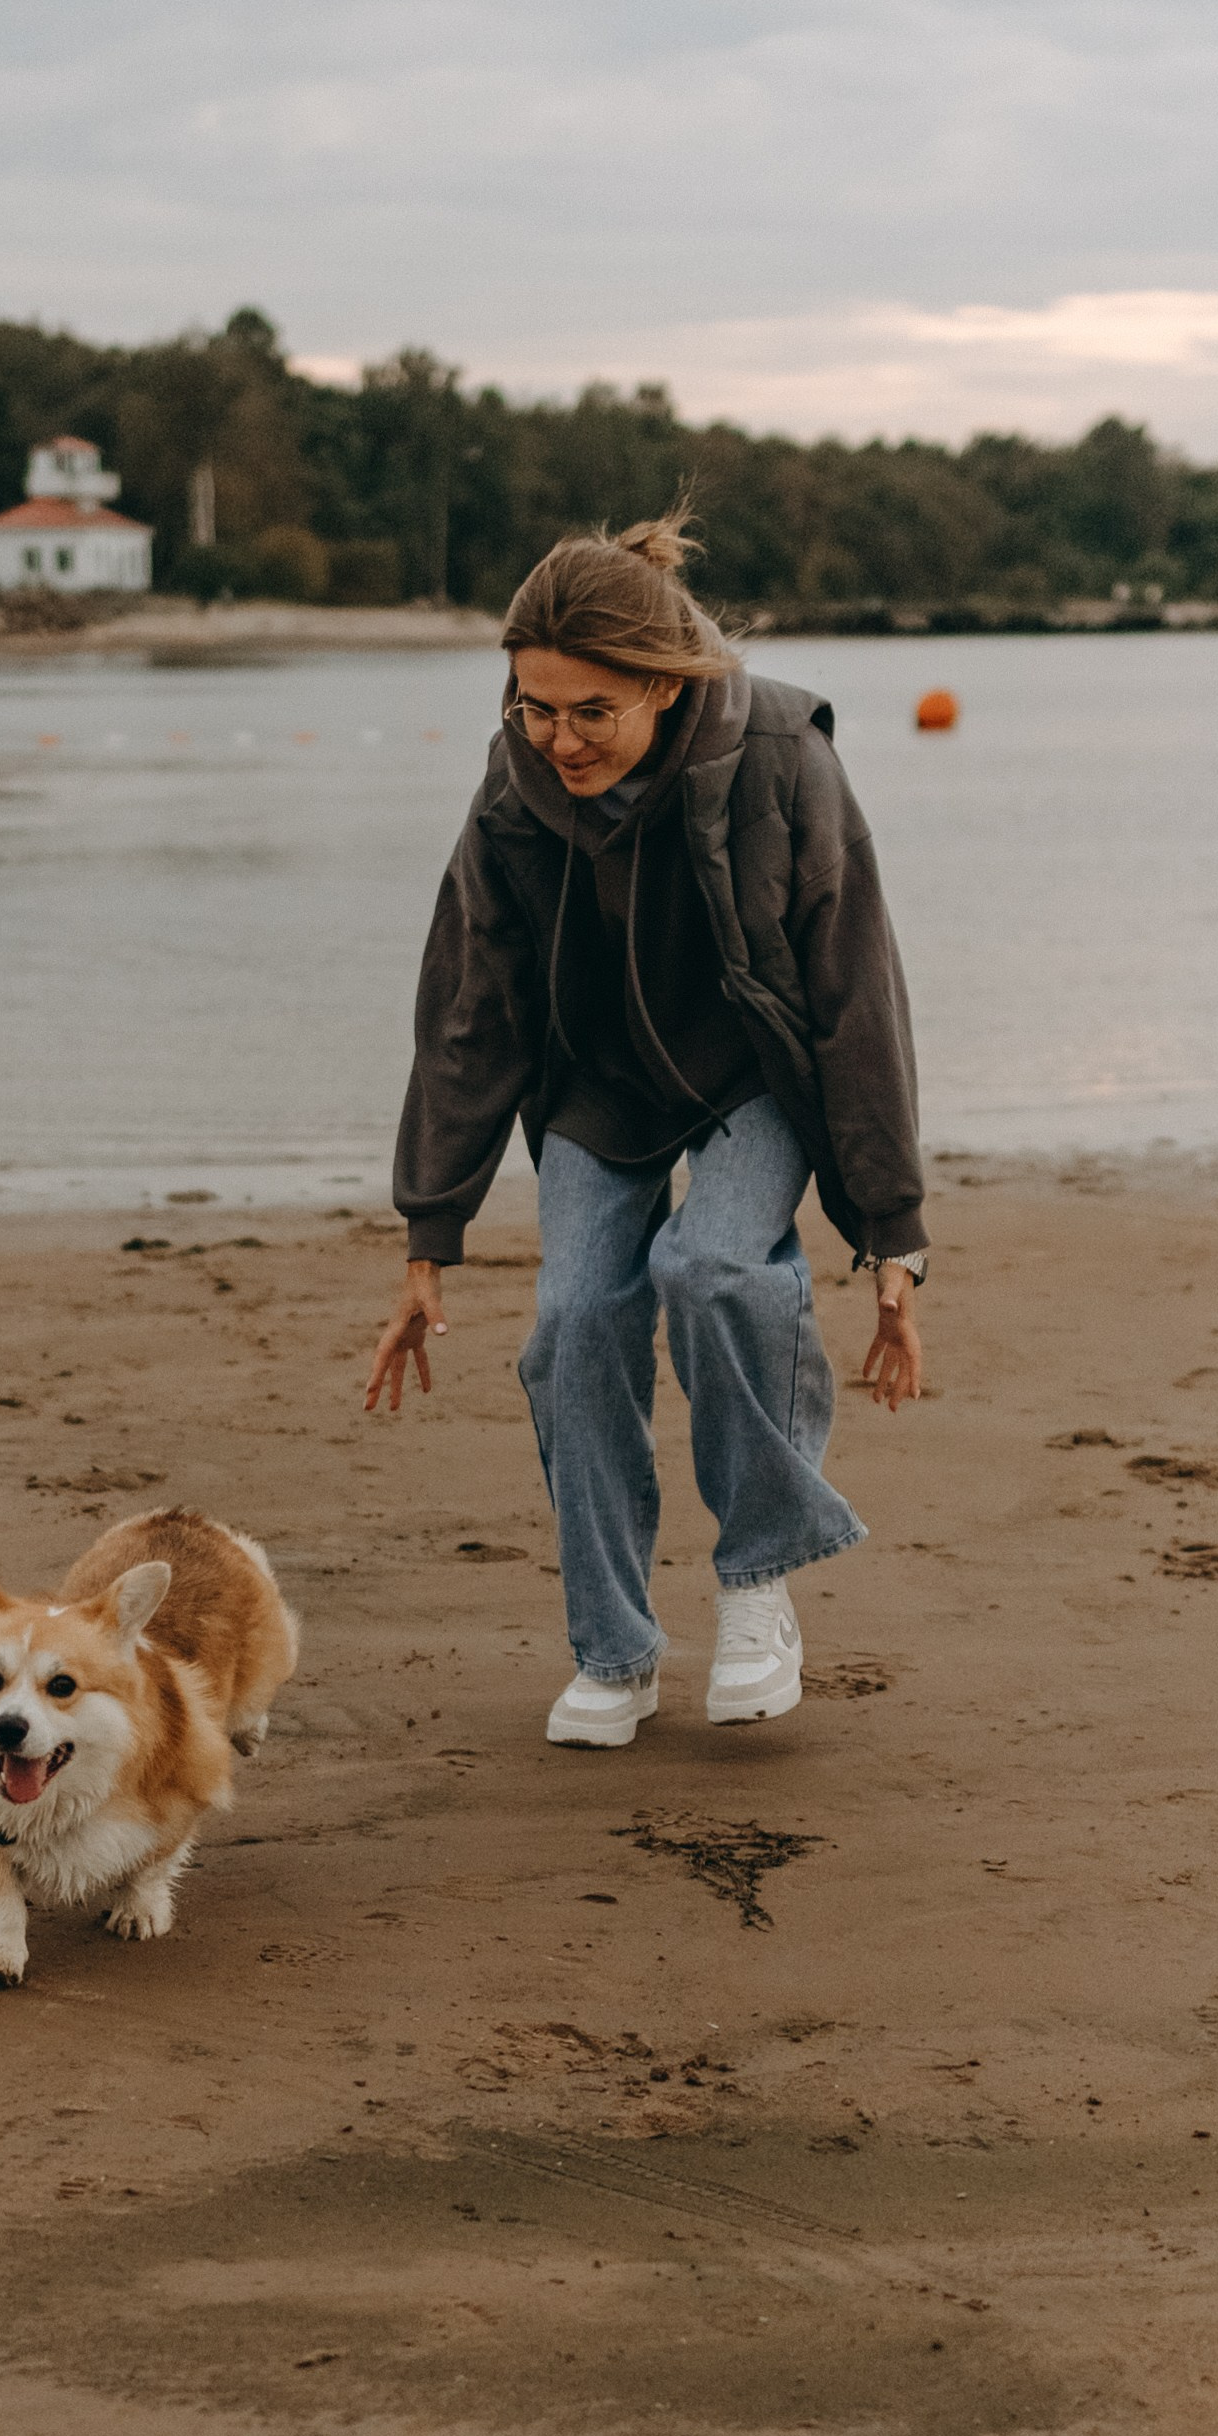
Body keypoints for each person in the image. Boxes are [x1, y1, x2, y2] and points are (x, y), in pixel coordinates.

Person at [364, 510, 927, 1749]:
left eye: (589, 713)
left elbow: (852, 993)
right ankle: (614, 1652)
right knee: (573, 1323)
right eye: (531, 708)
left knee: (715, 1268)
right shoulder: (515, 788)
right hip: (597, 1087)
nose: (556, 739)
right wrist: (430, 1227)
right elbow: (471, 1009)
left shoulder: (781, 754)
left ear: (665, 689)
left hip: (749, 1078)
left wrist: (890, 1235)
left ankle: (754, 1583)